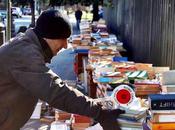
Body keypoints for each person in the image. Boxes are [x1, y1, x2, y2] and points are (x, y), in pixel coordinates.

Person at [0, 9, 124, 130]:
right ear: (49, 36)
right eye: (63, 38)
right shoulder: (23, 53)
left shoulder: (26, 45)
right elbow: (54, 90)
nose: (65, 45)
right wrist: (100, 112)